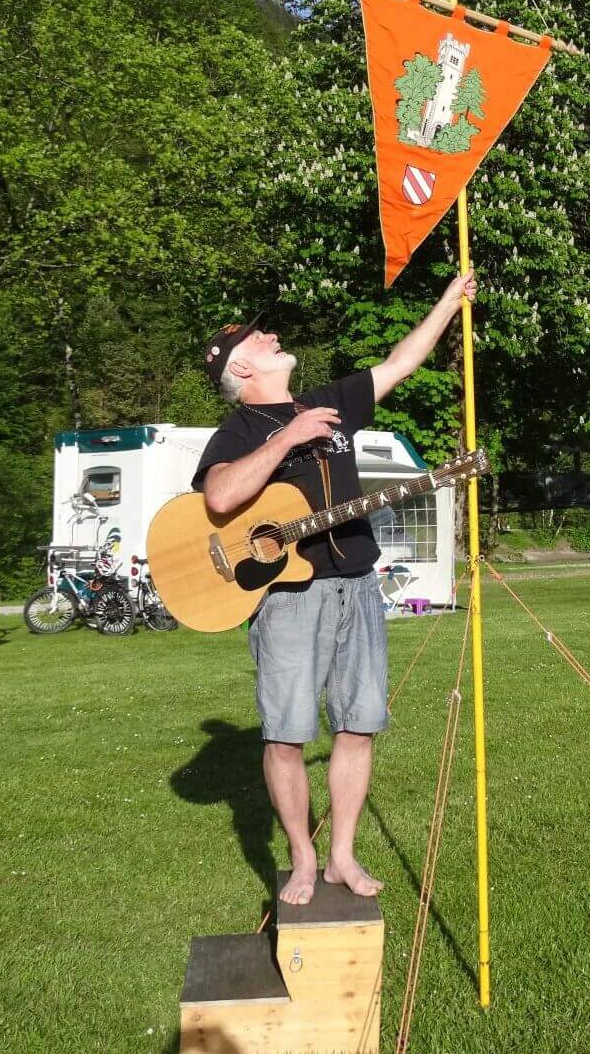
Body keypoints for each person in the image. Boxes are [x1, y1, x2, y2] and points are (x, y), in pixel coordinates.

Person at [193, 270, 476, 905]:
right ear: (240, 371)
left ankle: (341, 856)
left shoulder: (332, 399)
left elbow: (402, 362)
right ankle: (301, 858)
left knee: (359, 725)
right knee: (287, 735)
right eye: (257, 339)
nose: (271, 334)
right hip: (291, 598)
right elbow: (218, 495)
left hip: (357, 585)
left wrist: (450, 302)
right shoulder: (238, 432)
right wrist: (288, 437)